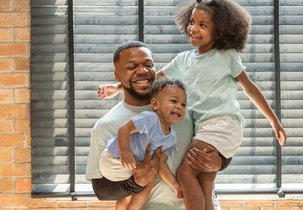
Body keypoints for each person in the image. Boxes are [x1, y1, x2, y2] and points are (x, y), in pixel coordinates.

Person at [97, 0, 288, 210]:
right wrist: (117, 88)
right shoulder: (183, 59)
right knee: (204, 185)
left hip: (220, 124)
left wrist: (274, 123)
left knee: (185, 174)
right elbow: (153, 81)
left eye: (202, 25)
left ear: (220, 29)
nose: (193, 28)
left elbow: (250, 88)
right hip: (203, 127)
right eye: (191, 22)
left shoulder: (227, 56)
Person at [86, 40, 228, 210]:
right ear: (118, 76)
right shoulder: (105, 127)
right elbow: (101, 191)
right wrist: (136, 182)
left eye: (148, 64)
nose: (143, 71)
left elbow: (220, 134)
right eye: (132, 67)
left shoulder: (184, 105)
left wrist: (220, 161)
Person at [99, 78, 187, 209]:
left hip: (131, 166)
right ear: (155, 105)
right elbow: (125, 129)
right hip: (115, 158)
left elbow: (161, 165)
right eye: (174, 101)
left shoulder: (171, 139)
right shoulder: (151, 119)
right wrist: (124, 150)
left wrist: (175, 185)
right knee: (146, 181)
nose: (179, 106)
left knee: (150, 176)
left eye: (184, 104)